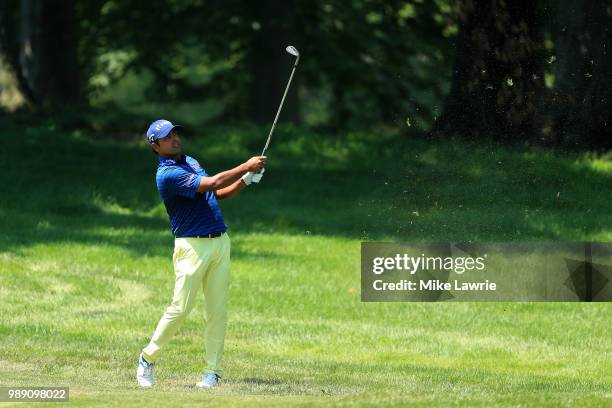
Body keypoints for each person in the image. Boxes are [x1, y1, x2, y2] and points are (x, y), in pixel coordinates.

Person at [136, 119, 267, 388]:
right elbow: (212, 182)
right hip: (191, 247)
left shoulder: (191, 162)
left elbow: (219, 192)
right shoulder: (167, 174)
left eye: (175, 133)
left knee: (217, 311)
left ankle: (212, 372)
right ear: (155, 145)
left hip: (220, 242)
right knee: (180, 308)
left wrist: (246, 179)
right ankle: (147, 358)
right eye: (167, 136)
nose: (175, 139)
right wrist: (246, 165)